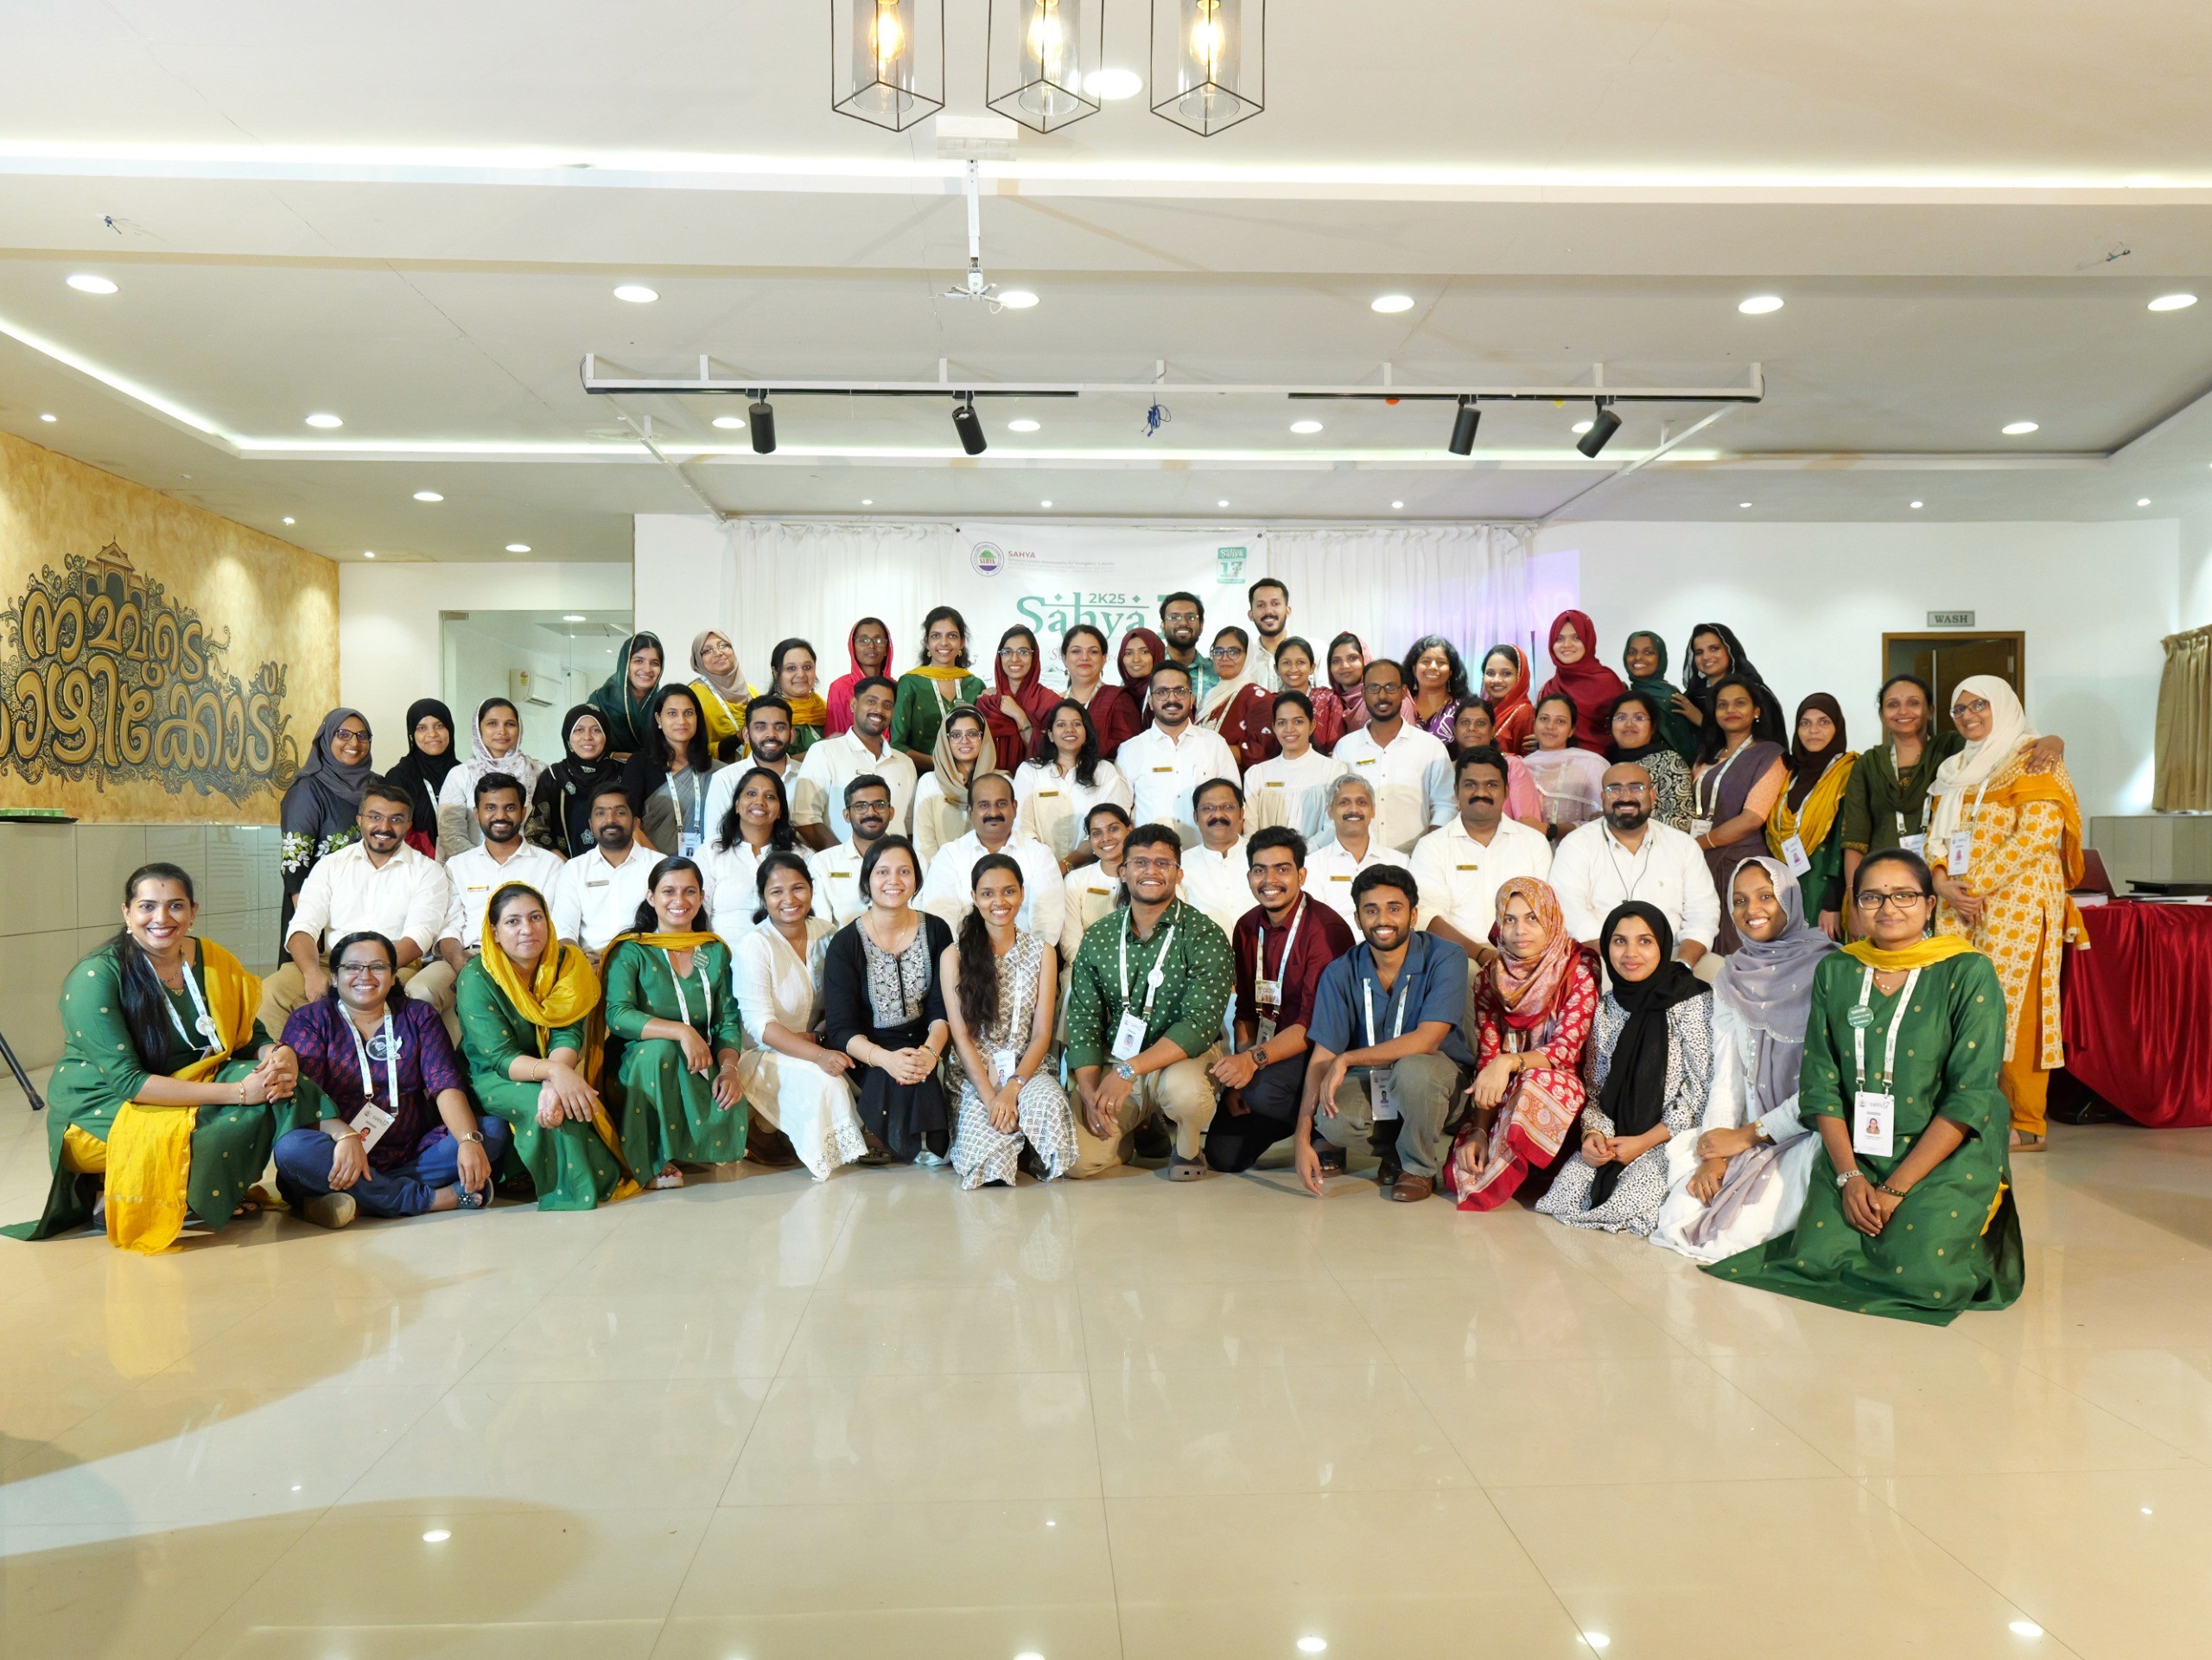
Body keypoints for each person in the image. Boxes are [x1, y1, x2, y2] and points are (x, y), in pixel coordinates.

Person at [1707, 849, 2024, 1324]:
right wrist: (1849, 1176)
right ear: (1855, 907)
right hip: (1858, 1149)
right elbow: (1822, 1083)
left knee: (1925, 1280)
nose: (1889, 908)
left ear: (1930, 905)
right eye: (1873, 897)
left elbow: (1972, 1094)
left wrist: (1895, 1189)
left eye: (1904, 895)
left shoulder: (1966, 970)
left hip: (1946, 1146)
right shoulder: (1840, 970)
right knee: (1815, 1261)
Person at [7, 864, 313, 1250]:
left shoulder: (211, 958)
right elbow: (129, 1083)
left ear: (193, 911)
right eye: (147, 906)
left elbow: (250, 1038)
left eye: (176, 906)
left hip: (193, 1077)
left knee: (286, 1084)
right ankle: (163, 1195)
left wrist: (280, 1055)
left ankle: (311, 1189)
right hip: (107, 1100)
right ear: (127, 912)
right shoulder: (96, 977)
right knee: (216, 1125)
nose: (162, 919)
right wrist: (238, 1092)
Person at [1926, 675, 2086, 1152]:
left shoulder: (2035, 757)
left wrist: (1969, 886)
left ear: (2004, 705)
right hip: (1958, 905)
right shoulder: (1954, 767)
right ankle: (1969, 1114)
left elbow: (2037, 835)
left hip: (2017, 902)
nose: (1969, 715)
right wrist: (1941, 883)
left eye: (1980, 705)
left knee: (2016, 1010)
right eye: (1960, 709)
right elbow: (1935, 836)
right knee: (1961, 1010)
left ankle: (2025, 1120)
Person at [1652, 858, 1836, 1262]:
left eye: (1766, 896)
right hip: (1747, 1131)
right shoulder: (1731, 974)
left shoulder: (1831, 968)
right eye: (1739, 901)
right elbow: (1727, 1077)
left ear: (1790, 897)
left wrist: (1749, 1136)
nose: (1752, 911)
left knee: (1743, 1235)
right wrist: (1716, 1152)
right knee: (1680, 1216)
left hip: (1815, 1128)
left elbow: (1828, 1083)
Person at [274, 930, 504, 1227]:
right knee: (293, 1149)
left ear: (394, 976)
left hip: (410, 1153)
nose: (365, 975)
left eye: (378, 967)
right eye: (352, 967)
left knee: (491, 1131)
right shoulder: (310, 1020)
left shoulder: (418, 1016)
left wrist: (468, 1141)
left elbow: (444, 1083)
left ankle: (360, 1199)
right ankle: (433, 1199)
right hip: (335, 1149)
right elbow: (303, 1099)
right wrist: (344, 1134)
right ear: (334, 976)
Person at [1294, 865, 1474, 1203]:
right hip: (1376, 1084)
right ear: (1358, 918)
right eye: (1371, 910)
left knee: (1414, 1069)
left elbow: (1428, 1040)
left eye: (1394, 908)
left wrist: (1348, 1058)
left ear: (1414, 914)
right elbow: (1321, 1059)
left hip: (1439, 1084)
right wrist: (1302, 1140)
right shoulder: (1340, 971)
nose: (1383, 919)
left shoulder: (1447, 957)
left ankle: (1418, 1169)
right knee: (1330, 1118)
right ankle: (1396, 1151)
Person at [454, 882, 638, 1209]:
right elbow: (498, 1057)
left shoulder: (568, 963)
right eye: (513, 921)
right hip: (495, 1076)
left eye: (536, 917)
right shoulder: (477, 976)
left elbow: (568, 1033)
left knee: (565, 1099)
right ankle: (567, 1191)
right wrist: (554, 1075)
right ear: (494, 931)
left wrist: (557, 1077)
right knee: (552, 1106)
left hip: (553, 1064)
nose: (528, 929)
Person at [1064, 825, 1232, 1180]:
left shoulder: (1204, 934)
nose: (1151, 871)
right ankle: (1135, 1130)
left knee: (1183, 1092)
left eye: (1162, 863)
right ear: (1122, 872)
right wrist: (1092, 1094)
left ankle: (1188, 1149)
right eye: (1140, 862)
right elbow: (1083, 1020)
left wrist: (1129, 1071)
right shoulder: (1100, 936)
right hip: (1118, 1060)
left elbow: (1198, 1026)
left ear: (1178, 873)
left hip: (1182, 1060)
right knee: (1078, 1163)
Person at [1535, 901, 1713, 1234]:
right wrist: (1593, 1136)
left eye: (1645, 941)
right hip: (1618, 1138)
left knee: (1630, 1206)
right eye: (1620, 941)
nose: (1631, 953)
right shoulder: (1608, 1007)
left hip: (1675, 1135)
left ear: (1662, 944)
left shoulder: (1693, 998)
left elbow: (1701, 1094)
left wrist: (1645, 1141)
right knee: (1565, 1194)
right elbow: (1597, 1089)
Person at [1202, 828, 1356, 1173]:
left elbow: (1314, 1024)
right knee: (1223, 1157)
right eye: (1260, 870)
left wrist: (1253, 1061)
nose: (1269, 880)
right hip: (1269, 1054)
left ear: (1301, 874)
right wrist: (1243, 1062)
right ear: (1249, 876)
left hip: (1318, 1052)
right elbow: (1244, 1007)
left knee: (1261, 1089)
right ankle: (1288, 1114)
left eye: (1282, 869)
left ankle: (1323, 1130)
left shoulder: (1326, 929)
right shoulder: (1245, 926)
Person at [1442, 877, 1599, 1212]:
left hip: (1565, 1095)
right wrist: (1481, 1132)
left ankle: (1530, 1169)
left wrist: (1509, 1062)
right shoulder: (1490, 977)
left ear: (1551, 918)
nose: (1519, 930)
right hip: (1508, 1091)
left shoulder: (1578, 968)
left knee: (1534, 1080)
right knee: (1462, 1165)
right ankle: (1514, 1168)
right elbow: (1488, 1059)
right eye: (1509, 920)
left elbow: (1565, 1050)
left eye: (1532, 918)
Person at [1839, 674, 2066, 904]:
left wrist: (2053, 740)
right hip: (1883, 886)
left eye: (1914, 703)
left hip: (1942, 887)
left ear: (1931, 710)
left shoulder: (1954, 751)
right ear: (1881, 714)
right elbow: (1855, 839)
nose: (1903, 711)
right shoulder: (1869, 764)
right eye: (1893, 704)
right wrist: (1855, 899)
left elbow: (2001, 743)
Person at [263, 776, 464, 1035]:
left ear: (408, 826)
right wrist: (313, 972)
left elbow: (417, 939)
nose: (384, 826)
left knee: (399, 997)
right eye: (375, 817)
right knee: (271, 992)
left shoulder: (428, 871)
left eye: (396, 819)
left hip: (394, 966)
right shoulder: (331, 866)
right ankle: (278, 1067)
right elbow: (303, 926)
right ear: (360, 820)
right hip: (329, 963)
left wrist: (367, 971)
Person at [600, 856, 747, 1187]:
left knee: (719, 1075)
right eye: (668, 891)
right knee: (659, 1053)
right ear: (651, 897)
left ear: (701, 897)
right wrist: (681, 1032)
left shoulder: (716, 951)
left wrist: (729, 1069)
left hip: (700, 1060)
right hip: (637, 1063)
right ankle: (648, 1161)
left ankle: (688, 1146)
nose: (679, 901)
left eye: (689, 892)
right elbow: (618, 1015)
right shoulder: (633, 950)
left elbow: (726, 1021)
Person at [941, 854, 1079, 1187]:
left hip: (1028, 1070)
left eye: (1008, 891)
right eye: (987, 893)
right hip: (976, 1078)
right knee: (989, 1167)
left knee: (1051, 1122)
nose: (999, 902)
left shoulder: (1043, 951)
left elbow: (1042, 1034)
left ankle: (1027, 1138)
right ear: (974, 898)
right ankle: (1010, 1142)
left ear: (1021, 894)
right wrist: (992, 1098)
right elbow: (961, 1038)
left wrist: (1014, 1087)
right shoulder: (955, 955)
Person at [734, 852, 868, 1177]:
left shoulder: (829, 933)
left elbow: (842, 1001)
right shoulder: (754, 945)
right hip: (761, 1052)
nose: (789, 900)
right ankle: (772, 1132)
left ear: (811, 890)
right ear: (763, 898)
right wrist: (818, 1054)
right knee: (829, 1084)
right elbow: (760, 1026)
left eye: (798, 888)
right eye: (776, 892)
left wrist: (819, 1036)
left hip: (820, 1041)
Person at [823, 837, 955, 1163]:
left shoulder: (938, 931)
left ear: (916, 880)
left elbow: (943, 1007)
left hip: (927, 1044)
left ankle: (904, 1137)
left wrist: (929, 1052)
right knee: (892, 1074)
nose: (893, 881)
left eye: (904, 871)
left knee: (917, 1072)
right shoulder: (845, 943)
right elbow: (840, 1028)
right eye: (882, 872)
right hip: (870, 1051)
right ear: (867, 880)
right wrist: (886, 1058)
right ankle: (906, 1138)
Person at [1547, 762, 1719, 966]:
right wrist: (1618, 960)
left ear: (1653, 795)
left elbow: (1703, 913)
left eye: (1636, 788)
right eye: (1614, 789)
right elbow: (1569, 909)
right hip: (1601, 958)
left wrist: (1683, 966)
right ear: (1603, 798)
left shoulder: (1683, 845)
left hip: (1671, 957)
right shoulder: (1576, 844)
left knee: (1716, 971)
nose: (1625, 797)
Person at [1411, 747, 1554, 963]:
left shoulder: (1533, 843)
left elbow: (1548, 912)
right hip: (1457, 955)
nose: (1481, 793)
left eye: (1491, 785)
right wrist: (1480, 954)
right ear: (1456, 791)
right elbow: (1426, 917)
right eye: (1470, 785)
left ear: (1506, 791)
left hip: (1526, 954)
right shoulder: (1432, 846)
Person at [1691, 675, 1789, 953]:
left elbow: (1752, 819)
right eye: (1722, 705)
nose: (1730, 710)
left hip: (1741, 864)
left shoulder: (1770, 754)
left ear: (1756, 711)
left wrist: (1697, 844)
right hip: (1700, 861)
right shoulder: (1707, 754)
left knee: (1736, 947)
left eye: (1740, 703)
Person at [918, 770, 1065, 945]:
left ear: (1014, 808)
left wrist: (1025, 964)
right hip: (965, 962)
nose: (993, 812)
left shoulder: (1040, 855)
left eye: (1001, 804)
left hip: (1027, 964)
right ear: (970, 811)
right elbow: (941, 923)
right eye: (984, 805)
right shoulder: (949, 856)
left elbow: (1047, 926)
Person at [1332, 657, 1453, 854]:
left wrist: (1427, 850)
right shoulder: (1345, 748)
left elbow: (1445, 804)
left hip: (1415, 860)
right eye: (1373, 688)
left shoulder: (1431, 747)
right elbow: (1337, 806)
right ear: (1363, 693)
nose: (1382, 696)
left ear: (1404, 691)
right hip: (1359, 861)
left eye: (1390, 687)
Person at [279, 708, 373, 953]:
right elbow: (295, 864)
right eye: (343, 734)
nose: (354, 742)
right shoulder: (308, 790)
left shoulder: (378, 786)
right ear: (326, 737)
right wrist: (311, 928)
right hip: (320, 909)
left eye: (362, 736)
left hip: (372, 905)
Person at [1116, 664, 1242, 847]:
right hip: (1152, 860)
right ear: (1151, 701)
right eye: (1162, 692)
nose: (1171, 699)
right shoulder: (1130, 750)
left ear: (1191, 699)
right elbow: (1119, 814)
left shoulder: (1214, 744)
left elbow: (1234, 806)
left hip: (1206, 856)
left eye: (1180, 691)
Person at [445, 773, 566, 952]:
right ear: (477, 813)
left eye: (510, 808)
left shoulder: (550, 865)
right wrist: (459, 961)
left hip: (529, 954)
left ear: (523, 812)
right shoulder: (457, 866)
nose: (500, 816)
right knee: (423, 982)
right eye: (490, 808)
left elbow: (555, 925)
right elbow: (450, 928)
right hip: (473, 953)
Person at [793, 675, 918, 849]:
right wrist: (846, 860)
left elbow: (909, 826)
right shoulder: (824, 752)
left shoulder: (905, 764)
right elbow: (804, 819)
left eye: (887, 705)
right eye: (871, 701)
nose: (879, 710)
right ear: (853, 705)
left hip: (892, 872)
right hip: (840, 872)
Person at [1768, 693, 1856, 938]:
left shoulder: (1847, 772)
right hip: (1788, 886)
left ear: (1837, 727)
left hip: (1823, 886)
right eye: (1805, 723)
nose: (1813, 730)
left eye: (1823, 722)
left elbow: (1843, 841)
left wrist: (1832, 904)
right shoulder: (1790, 774)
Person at [547, 781, 657, 964]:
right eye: (601, 813)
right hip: (589, 963)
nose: (610, 820)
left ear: (636, 822)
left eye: (620, 812)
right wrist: (577, 959)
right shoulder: (574, 869)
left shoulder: (658, 866)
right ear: (591, 824)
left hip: (646, 961)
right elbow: (564, 929)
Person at [1015, 698, 1133, 868]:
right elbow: (1022, 828)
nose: (1069, 730)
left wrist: (1066, 865)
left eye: (1077, 724)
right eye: (1061, 725)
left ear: (1086, 732)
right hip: (1037, 869)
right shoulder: (1029, 771)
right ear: (1050, 734)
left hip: (1091, 870)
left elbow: (1111, 827)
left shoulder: (1103, 771)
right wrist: (1048, 867)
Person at [1304, 773, 1421, 927]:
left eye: (1362, 802)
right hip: (1335, 950)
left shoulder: (1399, 862)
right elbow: (1314, 923)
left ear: (1373, 810)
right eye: (1344, 802)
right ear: (1330, 811)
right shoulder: (1312, 865)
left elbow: (1408, 919)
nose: (1353, 809)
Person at [621, 684, 722, 859]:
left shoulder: (718, 771)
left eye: (688, 713)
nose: (681, 721)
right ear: (659, 719)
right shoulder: (640, 765)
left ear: (698, 718)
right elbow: (630, 824)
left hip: (710, 868)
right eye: (672, 713)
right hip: (654, 868)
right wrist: (666, 867)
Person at [436, 697, 544, 860]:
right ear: (478, 729)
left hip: (530, 865)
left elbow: (547, 825)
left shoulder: (538, 771)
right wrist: (484, 865)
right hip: (473, 871)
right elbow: (451, 833)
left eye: (510, 724)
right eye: (492, 723)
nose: (502, 731)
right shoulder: (461, 775)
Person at [1244, 691, 1348, 844]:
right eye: (1282, 723)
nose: (1289, 729)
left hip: (1318, 861)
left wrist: (1302, 855)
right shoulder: (1257, 774)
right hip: (1269, 864)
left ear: (1312, 726)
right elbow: (1250, 833)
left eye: (1298, 722)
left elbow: (1333, 826)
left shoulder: (1334, 770)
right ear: (1274, 727)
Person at [699, 765, 802, 919]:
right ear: (736, 805)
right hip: (720, 942)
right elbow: (699, 913)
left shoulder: (800, 855)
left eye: (770, 796)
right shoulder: (710, 852)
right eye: (751, 793)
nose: (760, 801)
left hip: (781, 942)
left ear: (780, 811)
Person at [891, 606, 985, 768]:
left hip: (969, 780)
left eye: (952, 636)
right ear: (927, 642)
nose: (944, 642)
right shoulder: (910, 683)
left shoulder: (975, 685)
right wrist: (942, 765)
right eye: (936, 636)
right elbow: (896, 745)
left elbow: (985, 742)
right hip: (923, 780)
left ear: (962, 642)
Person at [699, 694, 803, 836]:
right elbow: (714, 842)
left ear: (791, 734)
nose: (771, 734)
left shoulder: (809, 775)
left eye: (779, 727)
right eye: (761, 728)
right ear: (746, 735)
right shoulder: (725, 779)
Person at [911, 705, 997, 870]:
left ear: (984, 738)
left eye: (972, 734)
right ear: (945, 740)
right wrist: (940, 880)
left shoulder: (1000, 782)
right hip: (941, 877)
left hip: (990, 881)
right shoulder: (930, 782)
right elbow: (924, 844)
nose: (964, 741)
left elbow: (1007, 839)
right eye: (956, 735)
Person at [529, 706, 622, 858]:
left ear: (606, 735)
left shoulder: (623, 773)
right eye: (579, 730)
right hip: (564, 871)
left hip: (620, 870)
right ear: (568, 736)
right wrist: (569, 868)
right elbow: (535, 832)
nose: (587, 737)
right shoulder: (553, 777)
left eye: (596, 730)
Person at [1675, 623, 1789, 744]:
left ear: (1730, 650)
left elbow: (1767, 741)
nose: (1706, 657)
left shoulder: (1754, 692)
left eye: (1714, 648)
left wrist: (1703, 722)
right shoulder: (1691, 698)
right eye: (1699, 652)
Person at [807, 774, 895, 928]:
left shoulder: (915, 861)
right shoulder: (823, 863)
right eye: (860, 806)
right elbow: (821, 927)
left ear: (891, 812)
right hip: (843, 950)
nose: (871, 812)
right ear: (847, 815)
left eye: (879, 804)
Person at [1535, 610, 1627, 752]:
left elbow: (1622, 729)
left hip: (1602, 767)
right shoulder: (1549, 688)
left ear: (1588, 640)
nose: (1567, 644)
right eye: (1559, 639)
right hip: (1556, 767)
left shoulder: (1607, 682)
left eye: (1576, 638)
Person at [1521, 693, 1609, 840]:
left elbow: (1601, 824)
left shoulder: (1591, 764)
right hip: (1529, 857)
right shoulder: (1521, 767)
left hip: (1577, 855)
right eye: (1544, 719)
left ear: (1572, 730)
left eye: (1560, 721)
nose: (1550, 726)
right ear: (1534, 723)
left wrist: (1551, 830)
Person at [1605, 690, 1693, 832]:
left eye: (1639, 718)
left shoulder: (1669, 761)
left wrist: (1625, 826)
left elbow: (1682, 820)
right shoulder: (1604, 763)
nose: (1629, 724)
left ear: (1653, 727)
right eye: (1621, 718)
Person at [1450, 700, 1545, 830]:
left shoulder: (1511, 766)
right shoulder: (1446, 769)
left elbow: (1528, 823)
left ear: (1492, 730)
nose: (1472, 728)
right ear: (1455, 730)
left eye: (1481, 723)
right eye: (1465, 722)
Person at [1176, 778, 1253, 938]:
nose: (1218, 814)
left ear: (1242, 814)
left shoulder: (1263, 857)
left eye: (1227, 807)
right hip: (1206, 958)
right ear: (1196, 817)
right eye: (1208, 808)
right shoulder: (1180, 866)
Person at [385, 698, 458, 860]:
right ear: (412, 734)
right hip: (414, 869)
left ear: (449, 729)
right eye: (422, 728)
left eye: (439, 726)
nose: (432, 734)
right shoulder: (399, 777)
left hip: (463, 867)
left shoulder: (464, 774)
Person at [1197, 626, 1279, 771]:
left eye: (1234, 652)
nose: (1224, 658)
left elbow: (1259, 751)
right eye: (1218, 652)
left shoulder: (1258, 698)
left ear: (1248, 657)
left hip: (1238, 787)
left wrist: (1206, 750)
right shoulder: (1209, 697)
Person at [1061, 802, 1131, 967]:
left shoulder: (1146, 876)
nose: (1106, 838)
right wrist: (1097, 972)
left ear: (1129, 831)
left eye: (1113, 829)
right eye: (1096, 833)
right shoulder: (1076, 880)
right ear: (1090, 841)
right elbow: (1071, 943)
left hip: (1137, 971)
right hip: (1085, 970)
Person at [976, 624, 1058, 764]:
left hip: (1038, 782)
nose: (1014, 659)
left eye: (1023, 652)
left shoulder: (1050, 703)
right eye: (1007, 652)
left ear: (1034, 656)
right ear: (999, 657)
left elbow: (1052, 754)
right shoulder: (988, 703)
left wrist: (1019, 716)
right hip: (993, 781)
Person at [1058, 623, 1141, 760]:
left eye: (1093, 651)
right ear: (1064, 658)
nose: (1085, 657)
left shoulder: (1119, 699)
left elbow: (1130, 751)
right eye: (1076, 651)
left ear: (1104, 659)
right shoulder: (1054, 702)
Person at [1622, 629, 1700, 763]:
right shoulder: (1626, 695)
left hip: (1667, 772)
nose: (1638, 658)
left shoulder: (1669, 697)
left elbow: (1683, 745)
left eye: (1648, 652)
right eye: (1632, 652)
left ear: (1661, 658)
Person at [588, 631, 665, 759]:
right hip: (607, 775)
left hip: (655, 776)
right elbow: (588, 746)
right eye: (639, 661)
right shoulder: (600, 700)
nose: (647, 669)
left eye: (654, 663)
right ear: (626, 664)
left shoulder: (664, 705)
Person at [1272, 636, 1345, 753]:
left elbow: (1336, 749)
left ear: (1312, 667)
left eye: (1301, 662)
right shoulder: (1270, 702)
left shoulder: (1328, 699)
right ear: (1276, 669)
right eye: (1286, 663)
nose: (1293, 668)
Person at [690, 628, 753, 760]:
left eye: (723, 646)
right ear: (698, 660)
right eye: (707, 650)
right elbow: (690, 748)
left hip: (756, 773)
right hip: (712, 774)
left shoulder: (752, 692)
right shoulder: (693, 695)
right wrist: (738, 738)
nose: (718, 653)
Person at [824, 616, 893, 737]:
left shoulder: (896, 687)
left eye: (879, 640)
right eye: (863, 640)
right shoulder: (839, 688)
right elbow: (834, 736)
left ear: (887, 648)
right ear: (853, 647)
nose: (871, 646)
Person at [765, 636, 827, 757]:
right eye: (791, 668)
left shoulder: (825, 709)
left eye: (807, 667)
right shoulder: (767, 713)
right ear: (776, 672)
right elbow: (771, 763)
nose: (801, 674)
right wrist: (827, 747)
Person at [1405, 633, 1471, 741]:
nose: (1433, 667)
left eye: (1441, 662)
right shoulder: (1402, 706)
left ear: (1451, 671)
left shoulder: (1464, 708)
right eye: (1426, 661)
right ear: (1414, 669)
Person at [1158, 590, 1219, 702]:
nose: (1183, 623)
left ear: (1201, 626)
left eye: (1191, 617)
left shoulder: (1217, 673)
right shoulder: (1149, 671)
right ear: (1163, 626)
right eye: (1174, 617)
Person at [1480, 644, 1535, 755]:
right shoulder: (1483, 709)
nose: (1496, 680)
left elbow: (1529, 761)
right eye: (1490, 673)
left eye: (1506, 673)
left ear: (1520, 677)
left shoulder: (1523, 713)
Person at [1245, 576, 1292, 690]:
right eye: (1261, 605)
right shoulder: (1245, 661)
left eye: (1275, 604)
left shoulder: (1314, 652)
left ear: (1288, 611)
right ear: (1251, 615)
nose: (1269, 611)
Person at [1118, 626, 1167, 733]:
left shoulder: (1169, 694)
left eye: (1145, 652)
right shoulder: (1118, 697)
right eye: (1128, 653)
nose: (1136, 659)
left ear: (1156, 653)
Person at [1325, 632, 1370, 735]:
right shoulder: (1327, 702)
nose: (1344, 666)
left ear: (1365, 660)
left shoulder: (1380, 698)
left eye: (1352, 658)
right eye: (1336, 661)